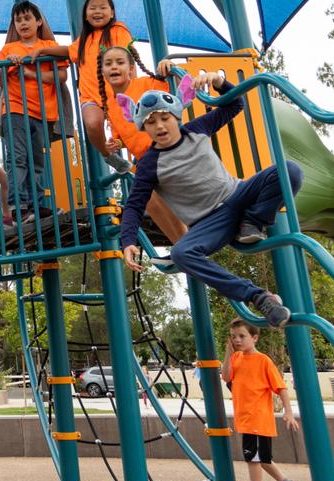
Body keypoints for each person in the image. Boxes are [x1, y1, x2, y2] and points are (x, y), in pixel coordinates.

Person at [115, 75, 295, 329]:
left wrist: (219, 82)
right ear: (144, 128)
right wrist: (128, 241)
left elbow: (235, 105)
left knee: (289, 171)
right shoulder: (148, 164)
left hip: (238, 194)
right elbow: (134, 205)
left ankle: (252, 222)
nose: (160, 126)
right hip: (210, 222)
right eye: (151, 122)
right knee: (181, 253)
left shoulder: (196, 129)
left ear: (176, 117)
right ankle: (258, 296)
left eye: (165, 118)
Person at [95, 44, 189, 250]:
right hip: (147, 162)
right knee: (150, 201)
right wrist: (116, 143)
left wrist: (168, 67)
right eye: (108, 64)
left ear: (131, 69)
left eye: (120, 62)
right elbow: (120, 134)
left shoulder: (146, 84)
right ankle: (182, 245)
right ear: (102, 72)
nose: (114, 67)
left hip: (166, 152)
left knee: (168, 196)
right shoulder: (111, 104)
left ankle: (187, 243)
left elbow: (173, 92)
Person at [0, 1, 71, 225]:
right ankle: (19, 206)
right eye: (18, 20)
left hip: (43, 112)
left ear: (38, 22)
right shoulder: (9, 49)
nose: (23, 23)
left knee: (37, 160)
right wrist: (7, 64)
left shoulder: (49, 45)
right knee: (17, 158)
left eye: (27, 18)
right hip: (16, 109)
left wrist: (28, 72)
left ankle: (36, 204)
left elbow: (61, 77)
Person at [222, 319, 304, 481]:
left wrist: (288, 412)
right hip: (246, 418)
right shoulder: (236, 359)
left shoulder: (263, 360)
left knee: (254, 458)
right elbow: (226, 377)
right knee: (263, 459)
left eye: (242, 336)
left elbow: (281, 388)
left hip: (256, 418)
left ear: (255, 337)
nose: (237, 340)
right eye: (234, 337)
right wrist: (228, 353)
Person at [70, 0, 135, 152]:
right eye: (92, 8)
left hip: (117, 92)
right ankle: (107, 154)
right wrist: (42, 50)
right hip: (91, 94)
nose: (97, 11)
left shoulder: (118, 30)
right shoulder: (85, 39)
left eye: (103, 8)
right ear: (85, 15)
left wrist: (132, 87)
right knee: (92, 124)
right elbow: (68, 51)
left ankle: (132, 155)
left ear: (112, 13)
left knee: (128, 132)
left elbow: (126, 55)